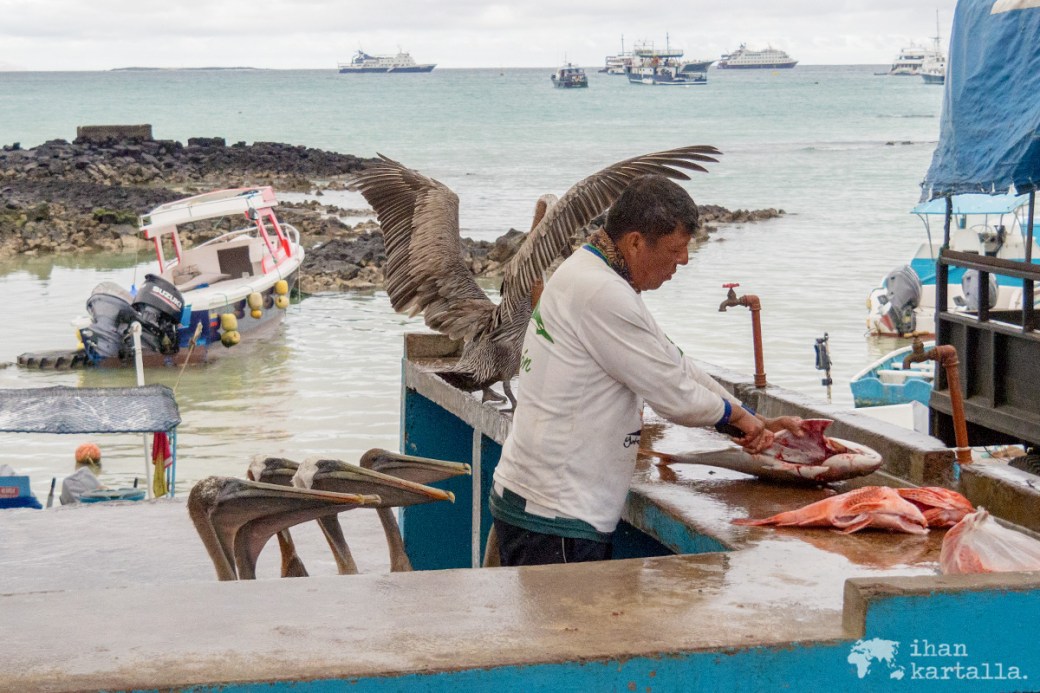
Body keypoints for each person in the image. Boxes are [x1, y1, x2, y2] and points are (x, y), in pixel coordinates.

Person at [489, 174, 804, 566]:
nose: (685, 260)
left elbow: (675, 364)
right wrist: (740, 419)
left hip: (543, 504)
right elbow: (674, 396)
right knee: (570, 630)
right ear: (636, 242)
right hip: (556, 518)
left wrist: (751, 420)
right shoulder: (601, 293)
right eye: (676, 249)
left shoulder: (594, 275)